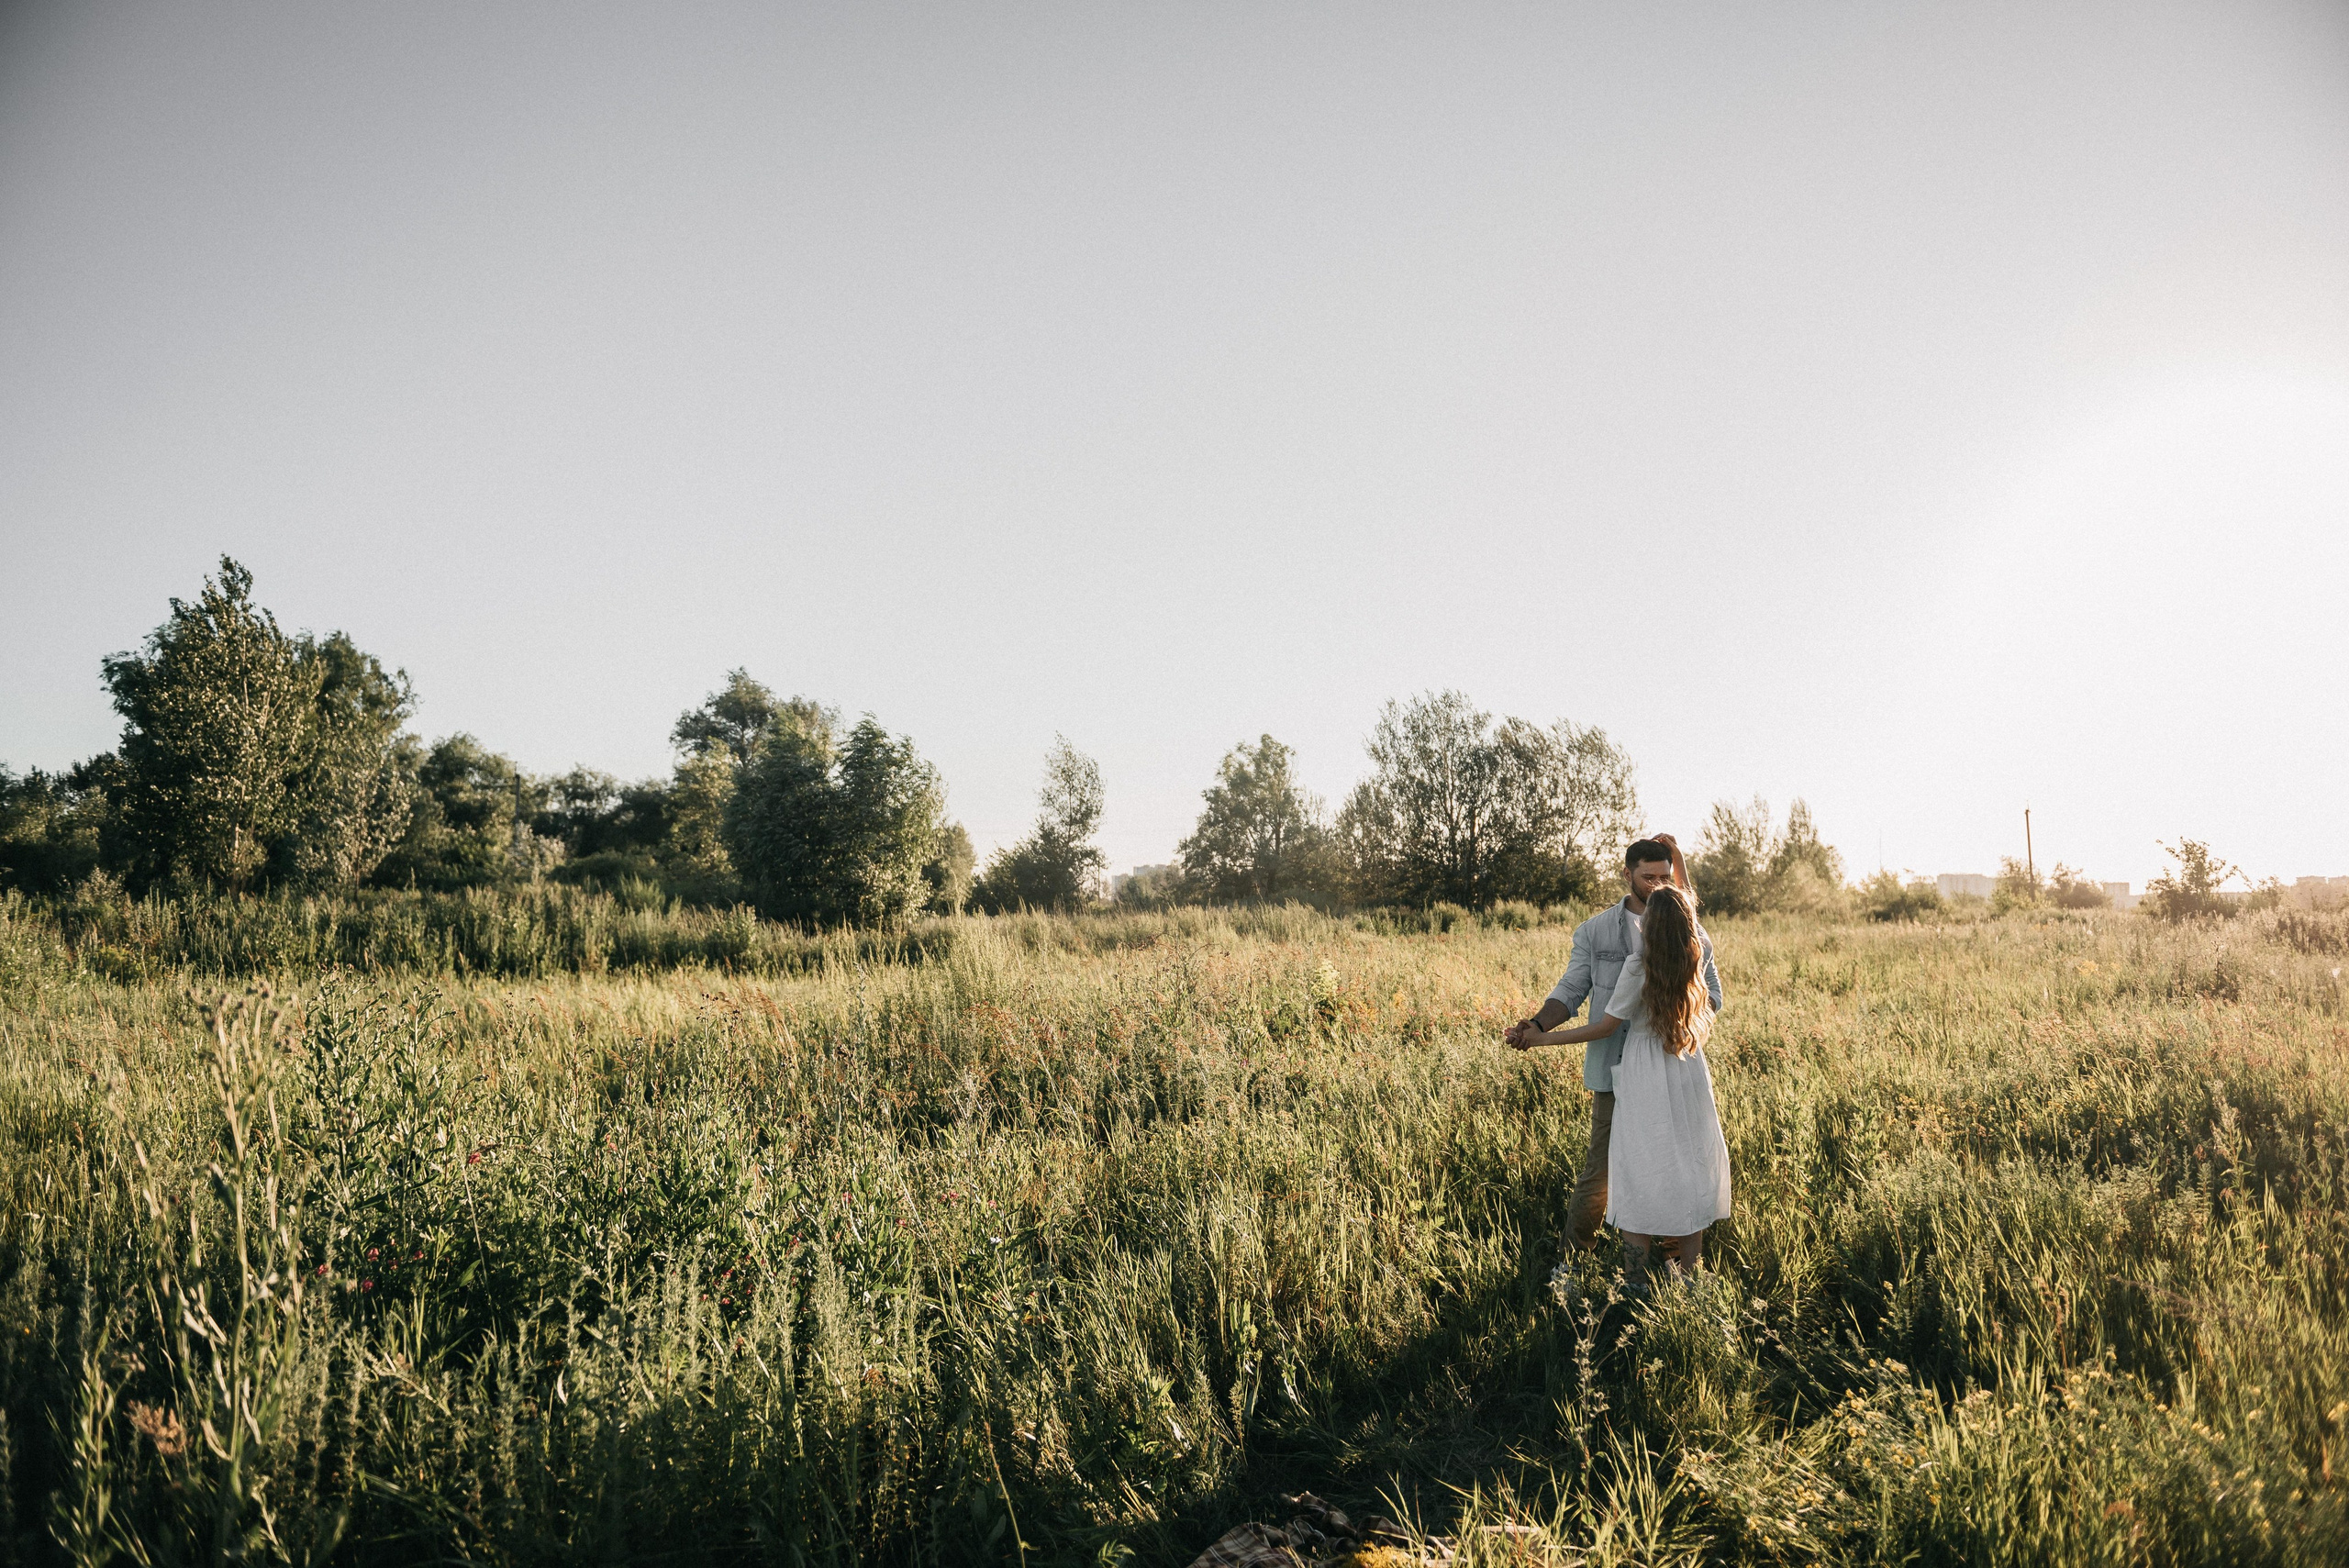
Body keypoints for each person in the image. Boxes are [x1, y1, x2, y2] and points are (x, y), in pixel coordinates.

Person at [1505, 836, 1722, 1276]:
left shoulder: (1689, 933)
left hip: (1671, 1064)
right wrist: (1539, 1025)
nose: (1658, 885)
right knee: (1603, 1171)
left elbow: (1712, 995)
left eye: (1666, 877)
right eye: (1649, 877)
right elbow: (1571, 989)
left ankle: (1667, 1265)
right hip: (1615, 1070)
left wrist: (1675, 1019)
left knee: (1674, 1163)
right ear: (1627, 874)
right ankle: (1573, 1264)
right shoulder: (1597, 930)